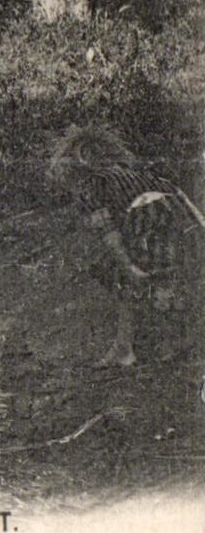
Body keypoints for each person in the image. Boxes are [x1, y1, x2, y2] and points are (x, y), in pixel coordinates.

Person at [47, 125, 204, 367]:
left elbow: (110, 235)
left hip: (159, 222)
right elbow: (175, 191)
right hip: (180, 221)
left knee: (129, 273)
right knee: (149, 278)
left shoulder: (89, 187)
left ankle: (135, 346)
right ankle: (140, 343)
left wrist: (129, 266)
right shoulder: (122, 174)